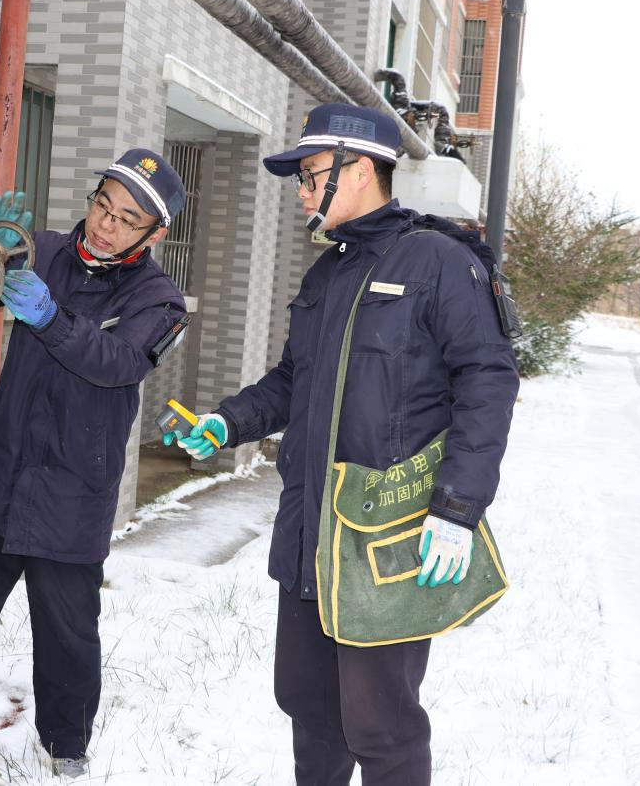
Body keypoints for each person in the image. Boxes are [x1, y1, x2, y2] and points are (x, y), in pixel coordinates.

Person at [166, 103, 520, 785]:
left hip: (381, 532)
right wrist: (228, 422)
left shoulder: (439, 262)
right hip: (310, 527)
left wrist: (456, 508)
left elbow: (487, 379)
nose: (300, 189)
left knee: (380, 723)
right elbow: (293, 380)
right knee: (308, 704)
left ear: (358, 169)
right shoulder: (326, 273)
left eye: (309, 174)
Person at [0, 149, 189, 777]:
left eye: (127, 220)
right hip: (3, 472)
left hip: (73, 492)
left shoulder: (160, 301)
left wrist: (50, 317)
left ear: (156, 233)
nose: (105, 225)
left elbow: (118, 363)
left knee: (68, 635)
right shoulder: (42, 249)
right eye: (103, 205)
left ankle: (67, 747)